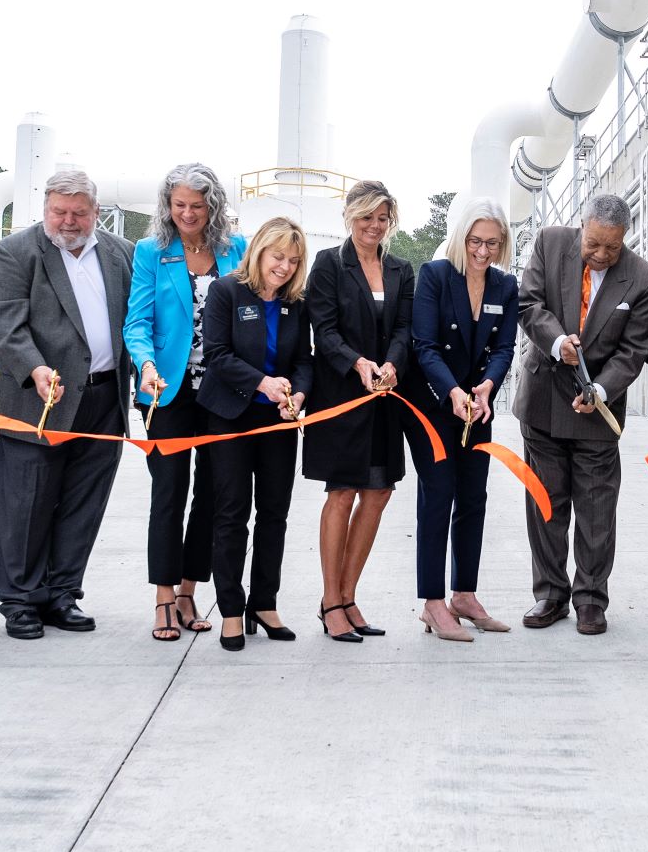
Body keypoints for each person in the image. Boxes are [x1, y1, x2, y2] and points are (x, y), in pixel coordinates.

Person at [0, 168, 134, 640]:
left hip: (105, 397)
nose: (69, 222)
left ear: (95, 213)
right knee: (25, 502)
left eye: (79, 213)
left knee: (83, 502)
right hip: (39, 398)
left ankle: (63, 592)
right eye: (59, 212)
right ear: (45, 209)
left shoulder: (121, 254)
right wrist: (34, 368)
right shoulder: (17, 252)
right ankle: (21, 601)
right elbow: (4, 325)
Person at [513, 192, 648, 636]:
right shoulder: (549, 242)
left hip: (597, 410)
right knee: (545, 504)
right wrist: (558, 342)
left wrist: (599, 390)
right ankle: (550, 594)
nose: (600, 255)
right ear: (582, 226)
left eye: (611, 248)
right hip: (542, 402)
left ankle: (591, 599)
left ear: (625, 238)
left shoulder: (643, 279)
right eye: (593, 244)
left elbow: (634, 351)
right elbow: (529, 305)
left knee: (597, 509)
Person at [123, 163, 248, 641]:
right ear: (167, 206)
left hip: (221, 391)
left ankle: (188, 591)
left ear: (212, 205)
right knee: (168, 493)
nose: (188, 214)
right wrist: (146, 365)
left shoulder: (235, 249)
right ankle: (162, 597)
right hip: (167, 391)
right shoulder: (151, 252)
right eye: (179, 205)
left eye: (197, 205)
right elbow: (137, 322)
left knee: (213, 496)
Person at [303, 180, 415, 641]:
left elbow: (406, 328)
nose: (374, 225)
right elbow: (322, 329)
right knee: (342, 493)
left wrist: (390, 363)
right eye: (366, 216)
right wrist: (358, 363)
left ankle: (349, 597)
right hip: (341, 396)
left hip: (385, 397)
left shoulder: (402, 269)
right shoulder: (328, 264)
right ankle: (331, 601)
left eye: (382, 217)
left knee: (378, 493)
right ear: (350, 216)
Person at [405, 197, 519, 641]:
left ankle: (464, 595)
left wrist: (487, 387)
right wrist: (452, 391)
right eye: (476, 241)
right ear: (461, 238)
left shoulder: (505, 286)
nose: (483, 251)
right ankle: (433, 604)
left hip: (477, 404)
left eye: (493, 242)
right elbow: (424, 346)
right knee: (439, 495)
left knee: (474, 497)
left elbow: (505, 348)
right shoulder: (435, 276)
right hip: (435, 402)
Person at [197, 217, 313, 652]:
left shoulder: (295, 303)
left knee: (274, 515)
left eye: (292, 260)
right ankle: (230, 608)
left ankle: (264, 603)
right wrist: (263, 383)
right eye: (277, 256)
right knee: (230, 514)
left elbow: (304, 360)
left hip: (278, 421)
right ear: (260, 251)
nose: (283, 267)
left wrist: (297, 395)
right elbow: (217, 354)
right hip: (230, 416)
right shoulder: (227, 291)